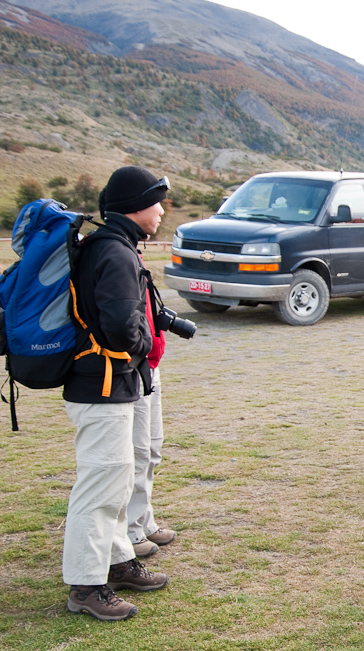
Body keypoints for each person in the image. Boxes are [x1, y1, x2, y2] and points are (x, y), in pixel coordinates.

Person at [63, 166, 171, 621]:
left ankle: (118, 561)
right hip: (102, 385)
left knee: (117, 479)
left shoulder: (108, 246)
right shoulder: (116, 254)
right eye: (156, 202)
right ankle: (87, 585)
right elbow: (122, 328)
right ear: (135, 207)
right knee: (100, 486)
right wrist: (146, 342)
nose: (162, 211)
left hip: (106, 384)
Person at [127, 268, 177, 557]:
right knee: (138, 452)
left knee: (152, 449)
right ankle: (130, 531)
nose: (160, 218)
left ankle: (144, 521)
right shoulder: (115, 252)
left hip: (151, 366)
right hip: (135, 368)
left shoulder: (134, 253)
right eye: (157, 215)